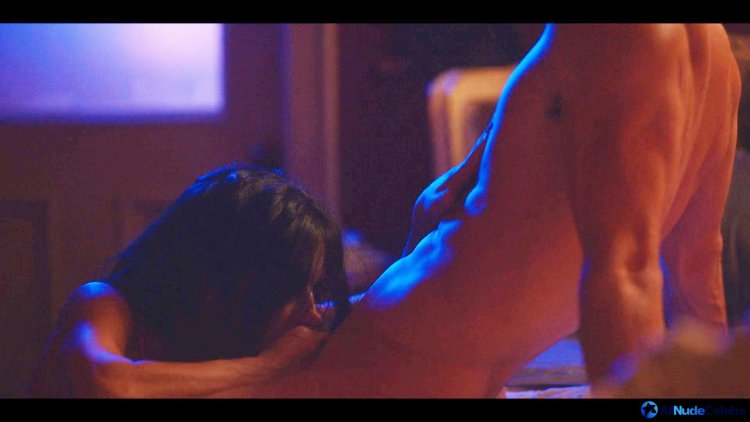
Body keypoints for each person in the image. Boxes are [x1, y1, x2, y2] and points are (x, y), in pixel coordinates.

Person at [248, 23, 740, 398]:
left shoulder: (610, 34)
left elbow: (626, 273)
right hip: (410, 343)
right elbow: (696, 270)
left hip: (408, 351)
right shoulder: (718, 55)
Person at [26, 165, 351, 397]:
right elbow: (106, 384)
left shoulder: (229, 338)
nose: (311, 313)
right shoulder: (101, 303)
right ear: (222, 276)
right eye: (291, 289)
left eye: (314, 289)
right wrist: (269, 365)